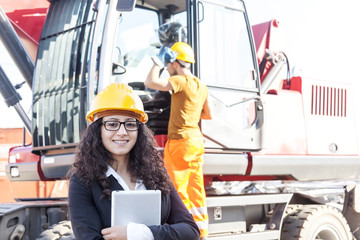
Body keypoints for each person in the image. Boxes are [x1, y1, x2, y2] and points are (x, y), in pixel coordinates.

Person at [67, 83, 200, 240]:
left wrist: (137, 234)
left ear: (139, 130)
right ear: (98, 129)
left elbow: (190, 231)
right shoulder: (83, 181)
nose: (122, 132)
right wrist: (163, 233)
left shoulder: (156, 174)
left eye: (130, 124)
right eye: (112, 124)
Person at [145, 42, 211, 239]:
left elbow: (151, 82)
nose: (167, 68)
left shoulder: (180, 81)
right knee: (195, 188)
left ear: (174, 62)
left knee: (177, 188)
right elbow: (208, 114)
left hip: (180, 142)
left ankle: (182, 231)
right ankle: (201, 232)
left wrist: (157, 61)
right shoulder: (201, 85)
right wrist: (189, 111)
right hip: (196, 142)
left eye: (168, 64)